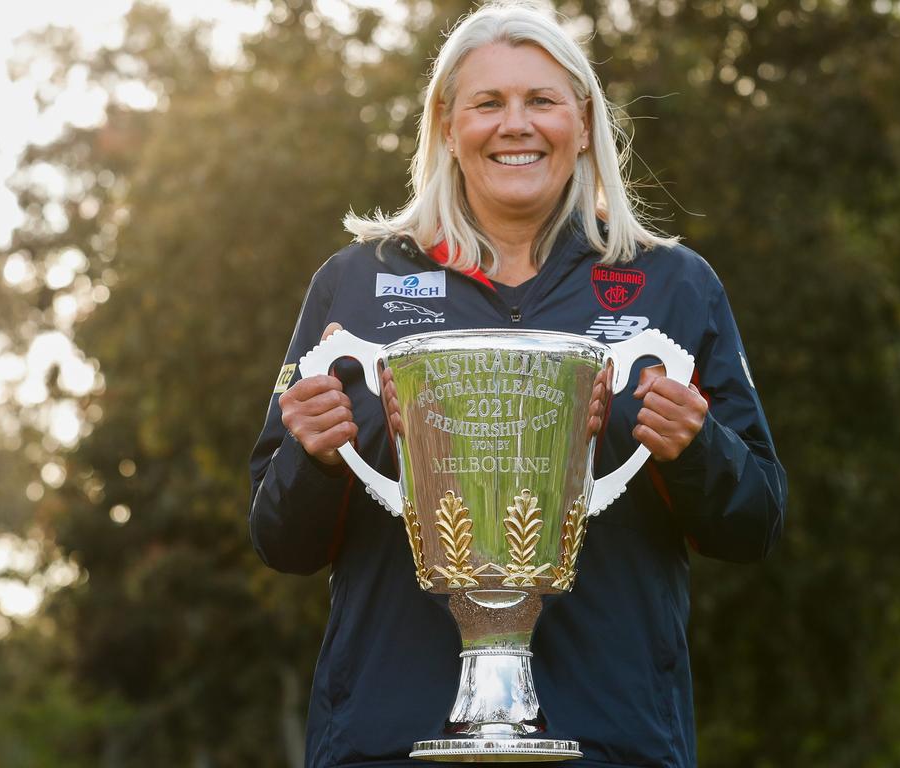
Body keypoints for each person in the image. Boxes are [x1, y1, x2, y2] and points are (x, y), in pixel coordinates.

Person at [249, 2, 786, 766]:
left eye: (541, 101)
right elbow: (279, 541)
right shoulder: (355, 286)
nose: (516, 125)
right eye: (489, 103)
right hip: (388, 741)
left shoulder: (673, 286)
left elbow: (757, 521)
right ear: (446, 124)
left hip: (613, 740)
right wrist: (313, 453)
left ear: (584, 119)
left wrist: (696, 448)